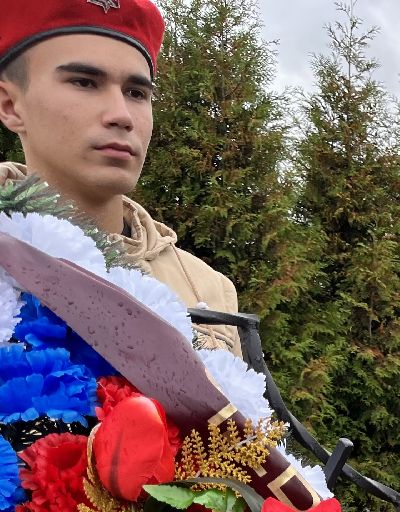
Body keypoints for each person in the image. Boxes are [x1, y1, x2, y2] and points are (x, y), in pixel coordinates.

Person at [0, 0, 240, 352]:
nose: (122, 114)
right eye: (84, 82)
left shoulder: (207, 288)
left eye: (136, 93)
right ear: (10, 106)